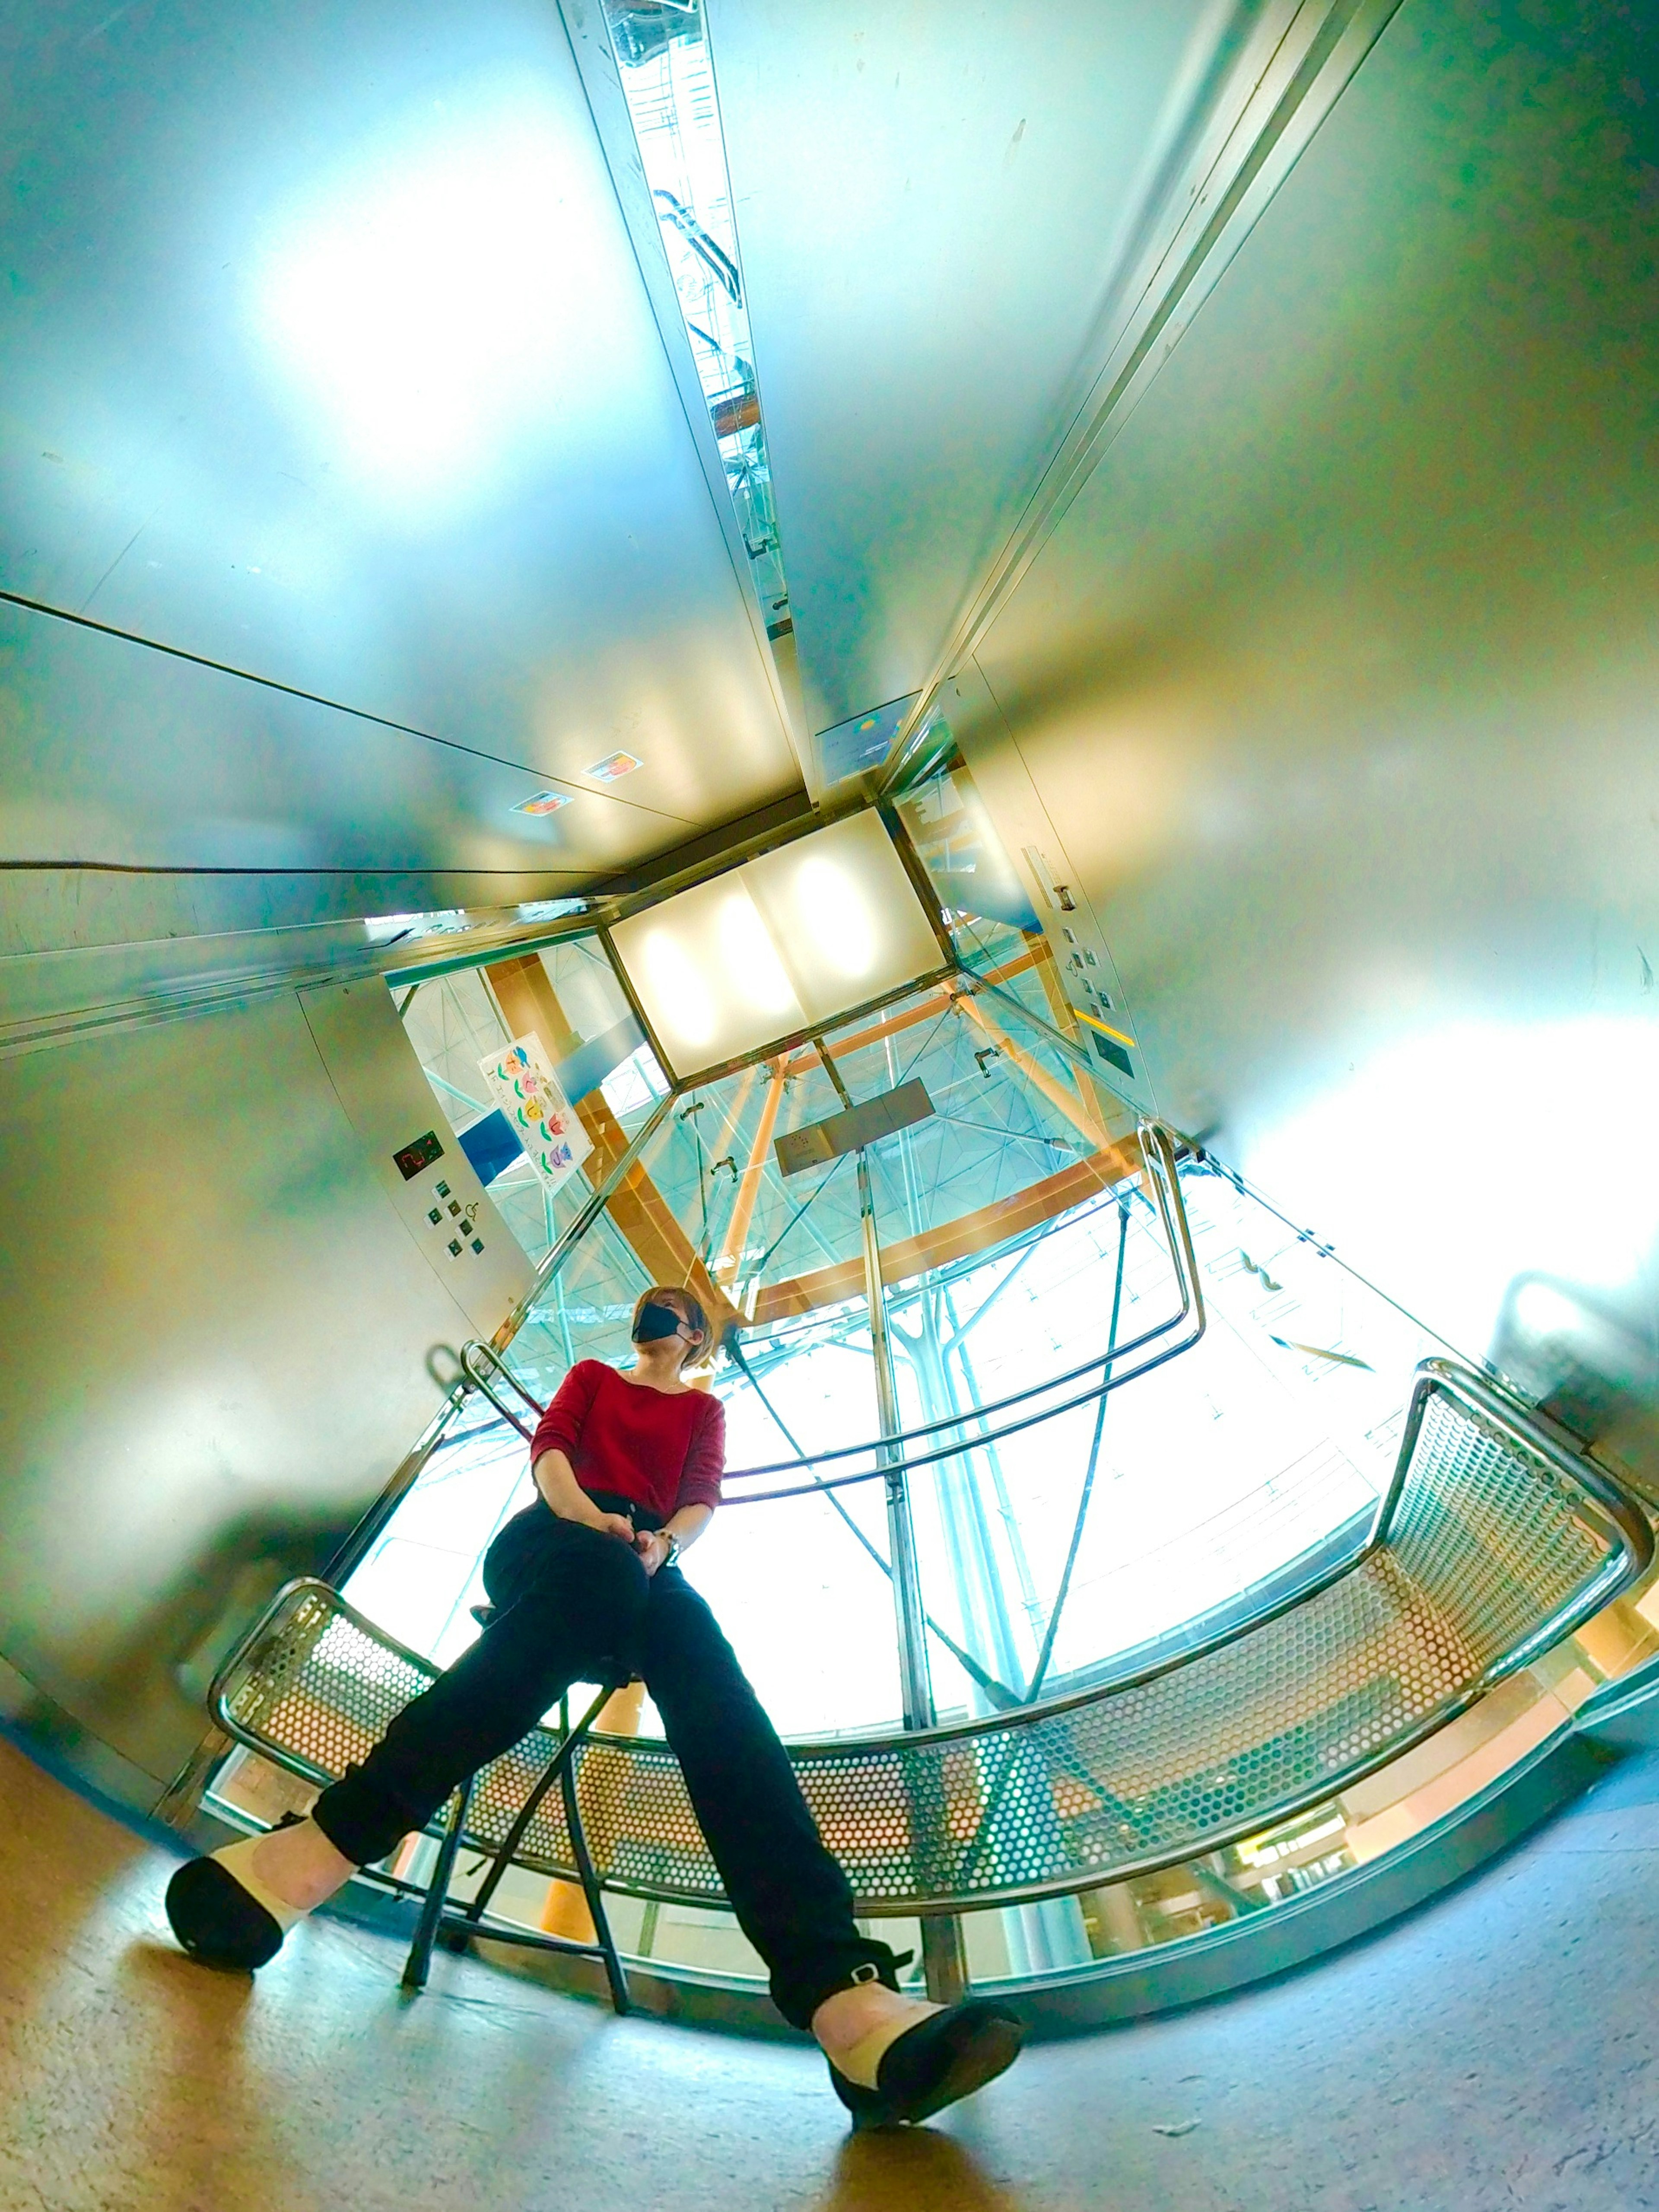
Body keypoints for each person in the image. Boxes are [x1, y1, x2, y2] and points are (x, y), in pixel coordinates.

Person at [166, 1284, 1024, 2128]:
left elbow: (699, 1499)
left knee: (709, 1671)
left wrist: (660, 1546)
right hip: (550, 1541)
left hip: (650, 1563)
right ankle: (333, 1837)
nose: (657, 1316)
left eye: (674, 1311)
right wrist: (590, 1521)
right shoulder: (593, 1377)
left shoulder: (704, 1411)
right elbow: (551, 1454)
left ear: (696, 1337)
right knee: (605, 1577)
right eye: (650, 1305)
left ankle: (842, 1998)